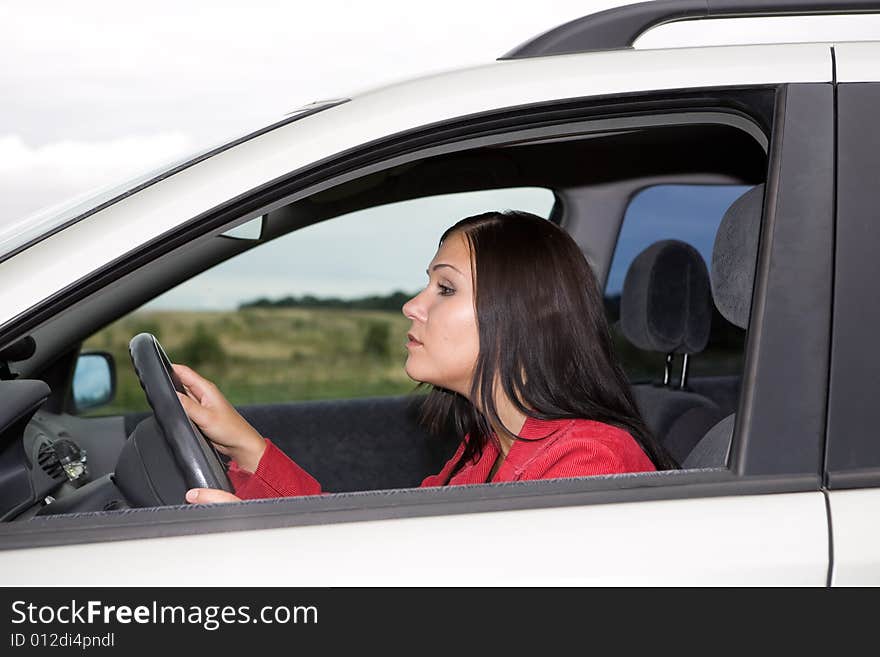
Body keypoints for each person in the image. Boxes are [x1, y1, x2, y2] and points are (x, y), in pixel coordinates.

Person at [175, 210, 677, 504]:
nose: (412, 306)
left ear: (522, 315)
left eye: (445, 288)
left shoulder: (588, 464)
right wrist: (246, 448)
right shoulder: (484, 450)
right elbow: (384, 547)